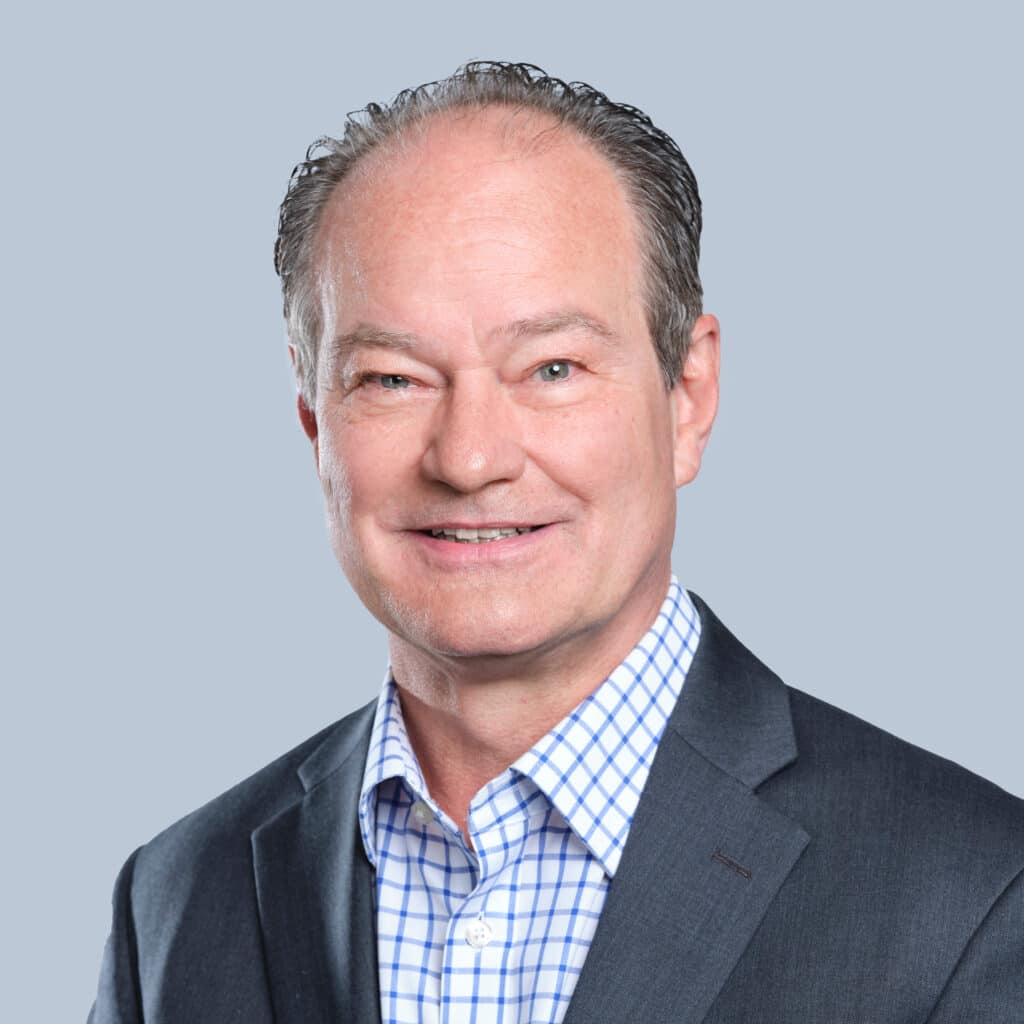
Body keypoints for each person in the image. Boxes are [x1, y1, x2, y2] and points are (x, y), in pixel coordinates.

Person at [89, 61, 1024, 1024]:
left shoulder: (973, 900)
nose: (471, 457)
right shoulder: (175, 904)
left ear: (688, 397)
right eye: (392, 379)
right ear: (314, 422)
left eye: (552, 367)